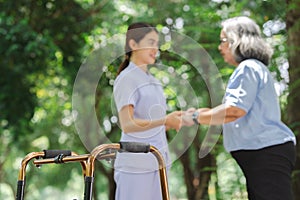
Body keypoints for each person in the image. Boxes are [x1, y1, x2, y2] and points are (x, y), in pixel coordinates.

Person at [184, 16, 296, 200]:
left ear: (236, 40)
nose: (220, 47)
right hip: (263, 154)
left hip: (265, 152)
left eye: (223, 41)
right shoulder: (252, 68)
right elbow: (236, 109)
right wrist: (204, 113)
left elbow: (234, 110)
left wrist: (195, 117)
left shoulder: (248, 68)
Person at [113, 22, 182, 200]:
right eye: (150, 42)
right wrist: (165, 120)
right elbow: (127, 125)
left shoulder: (154, 82)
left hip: (158, 160)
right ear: (133, 44)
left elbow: (152, 125)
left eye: (156, 43)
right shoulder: (127, 78)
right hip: (136, 166)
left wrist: (176, 120)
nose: (155, 48)